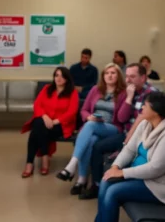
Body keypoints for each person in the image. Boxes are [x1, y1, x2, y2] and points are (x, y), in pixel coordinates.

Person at [81, 63, 157, 200]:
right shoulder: (129, 91)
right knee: (96, 146)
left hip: (139, 137)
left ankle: (113, 184)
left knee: (101, 144)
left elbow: (142, 119)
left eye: (132, 77)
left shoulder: (151, 94)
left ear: (143, 78)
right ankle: (96, 184)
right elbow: (122, 118)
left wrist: (127, 140)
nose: (128, 80)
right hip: (124, 133)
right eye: (126, 76)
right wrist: (128, 96)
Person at [56, 63, 131, 195]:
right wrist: (89, 117)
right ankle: (82, 179)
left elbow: (122, 118)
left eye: (113, 73)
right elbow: (84, 110)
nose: (110, 75)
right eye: (107, 73)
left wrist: (128, 99)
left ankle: (72, 166)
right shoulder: (95, 90)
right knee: (90, 140)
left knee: (90, 126)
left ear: (119, 76)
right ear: (103, 76)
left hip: (112, 128)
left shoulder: (123, 93)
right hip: (93, 126)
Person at [95, 92, 165, 222]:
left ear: (156, 111)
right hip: (138, 175)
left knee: (113, 192)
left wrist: (122, 172)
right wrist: (115, 167)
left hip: (158, 184)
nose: (142, 108)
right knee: (106, 180)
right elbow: (129, 149)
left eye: (145, 105)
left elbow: (155, 169)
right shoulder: (145, 124)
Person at [21, 67, 79, 178]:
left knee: (37, 130)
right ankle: (44, 158)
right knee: (39, 126)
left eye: (62, 76)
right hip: (44, 121)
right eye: (56, 75)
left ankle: (30, 163)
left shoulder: (72, 92)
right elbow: (37, 104)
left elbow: (72, 112)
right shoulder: (47, 88)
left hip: (62, 124)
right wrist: (44, 115)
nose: (59, 78)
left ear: (67, 79)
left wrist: (56, 121)